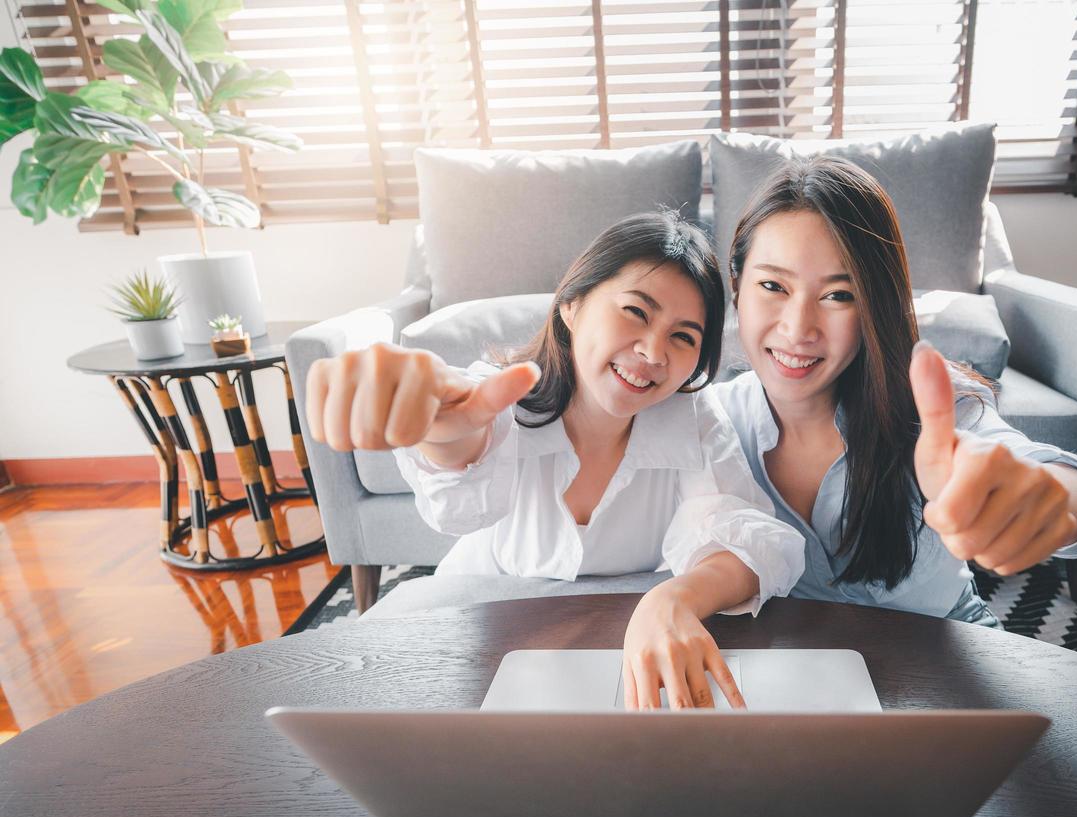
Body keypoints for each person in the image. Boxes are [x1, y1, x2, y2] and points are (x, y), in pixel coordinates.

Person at [304, 210, 805, 710]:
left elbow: (749, 540)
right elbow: (462, 470)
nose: (653, 351)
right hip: (483, 631)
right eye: (635, 311)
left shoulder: (694, 416)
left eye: (683, 337)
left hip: (614, 639)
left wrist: (676, 598)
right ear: (572, 305)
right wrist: (437, 431)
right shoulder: (503, 393)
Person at [710, 157, 1077, 625]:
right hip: (792, 671)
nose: (798, 328)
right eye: (772, 285)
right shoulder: (712, 422)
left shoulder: (931, 407)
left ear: (875, 304)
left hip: (943, 657)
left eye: (839, 295)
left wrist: (1054, 498)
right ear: (737, 288)